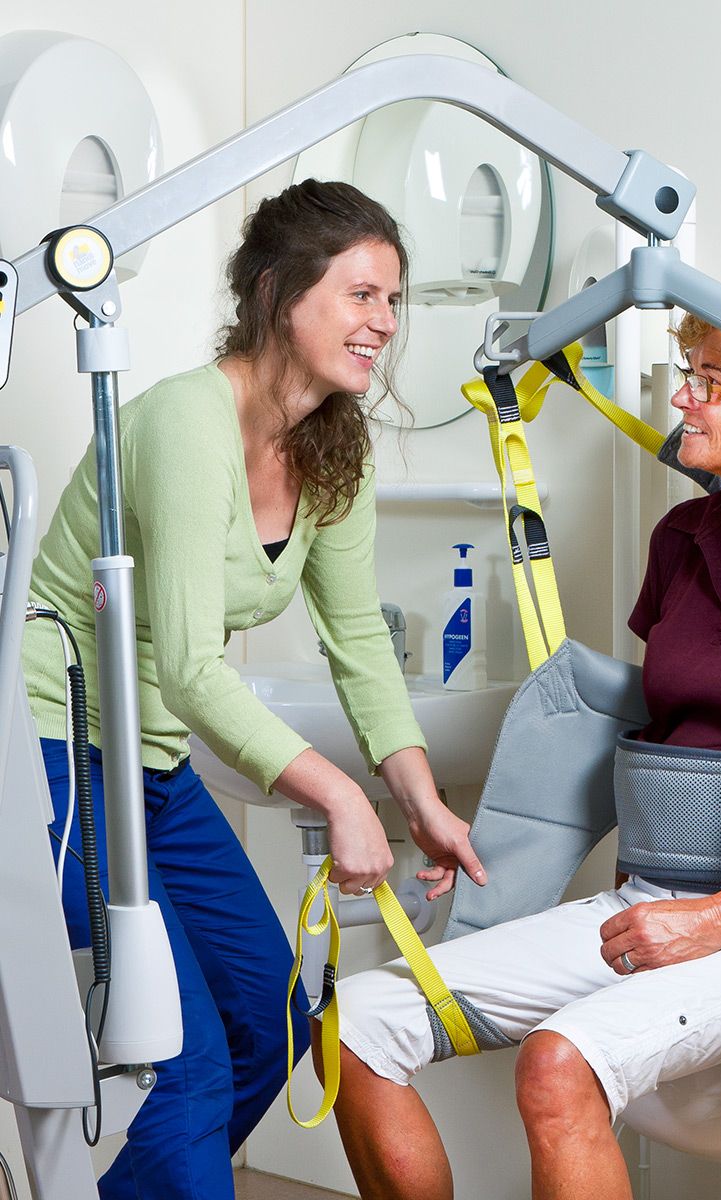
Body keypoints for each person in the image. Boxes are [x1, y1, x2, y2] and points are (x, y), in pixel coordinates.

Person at [318, 280, 721, 1200]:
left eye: (711, 380)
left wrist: (711, 922)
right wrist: (497, 854)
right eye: (686, 370)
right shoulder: (681, 539)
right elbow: (653, 737)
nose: (683, 398)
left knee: (559, 1064)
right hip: (651, 899)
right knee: (353, 1023)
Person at [22, 179, 485, 1200]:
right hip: (52, 753)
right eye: (361, 294)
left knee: (273, 1023)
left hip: (150, 762)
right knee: (184, 1062)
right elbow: (192, 666)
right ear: (278, 294)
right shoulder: (187, 420)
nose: (385, 323)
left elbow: (357, 639)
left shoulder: (333, 449)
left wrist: (419, 799)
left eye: (393, 300)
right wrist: (340, 792)